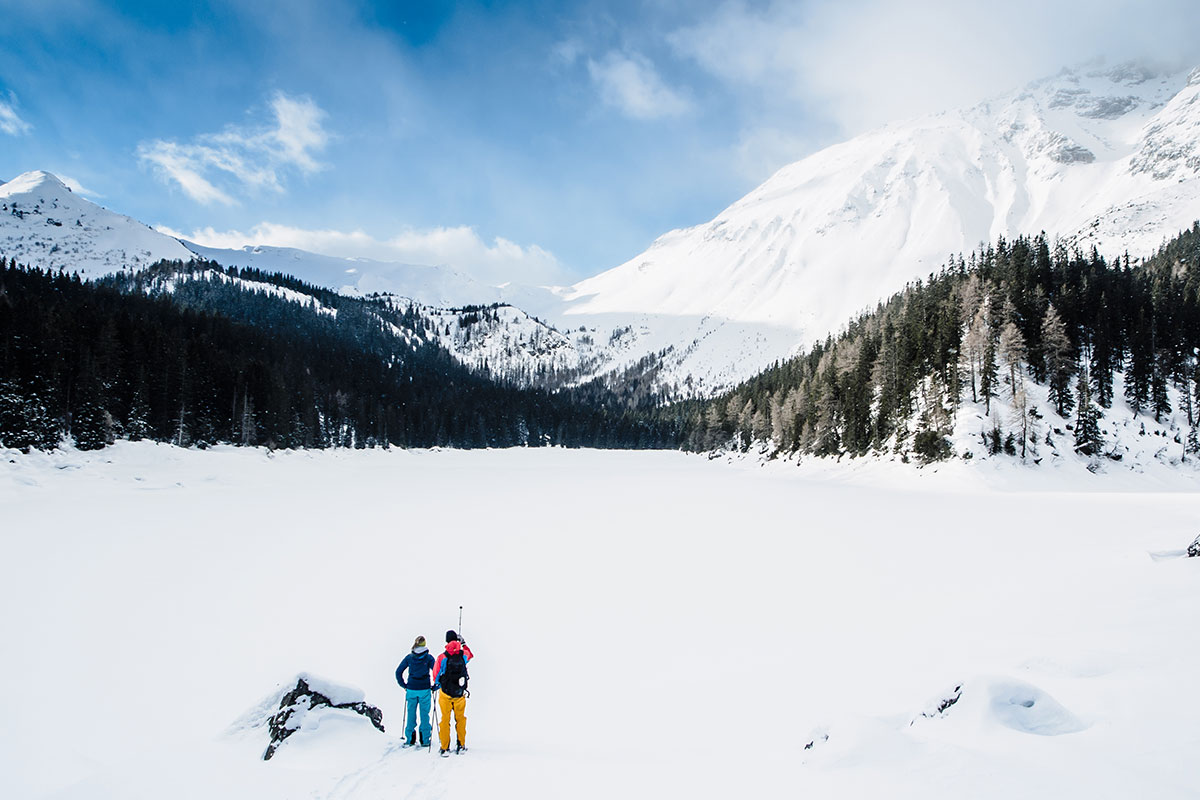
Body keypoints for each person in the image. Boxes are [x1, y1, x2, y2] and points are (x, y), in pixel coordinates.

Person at [432, 629, 474, 755]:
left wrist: (438, 684)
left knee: (445, 720)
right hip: (460, 693)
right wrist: (464, 643)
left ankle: (445, 747)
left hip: (445, 693)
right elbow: (470, 654)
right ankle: (461, 745)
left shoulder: (442, 657)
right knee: (460, 719)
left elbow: (436, 675)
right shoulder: (463, 655)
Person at [395, 635, 436, 748]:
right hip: (425, 689)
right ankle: (425, 739)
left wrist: (404, 685)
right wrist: (436, 685)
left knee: (411, 713)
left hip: (411, 689)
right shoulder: (429, 658)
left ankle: (410, 739)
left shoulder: (409, 657)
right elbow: (437, 672)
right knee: (424, 714)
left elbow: (398, 672)